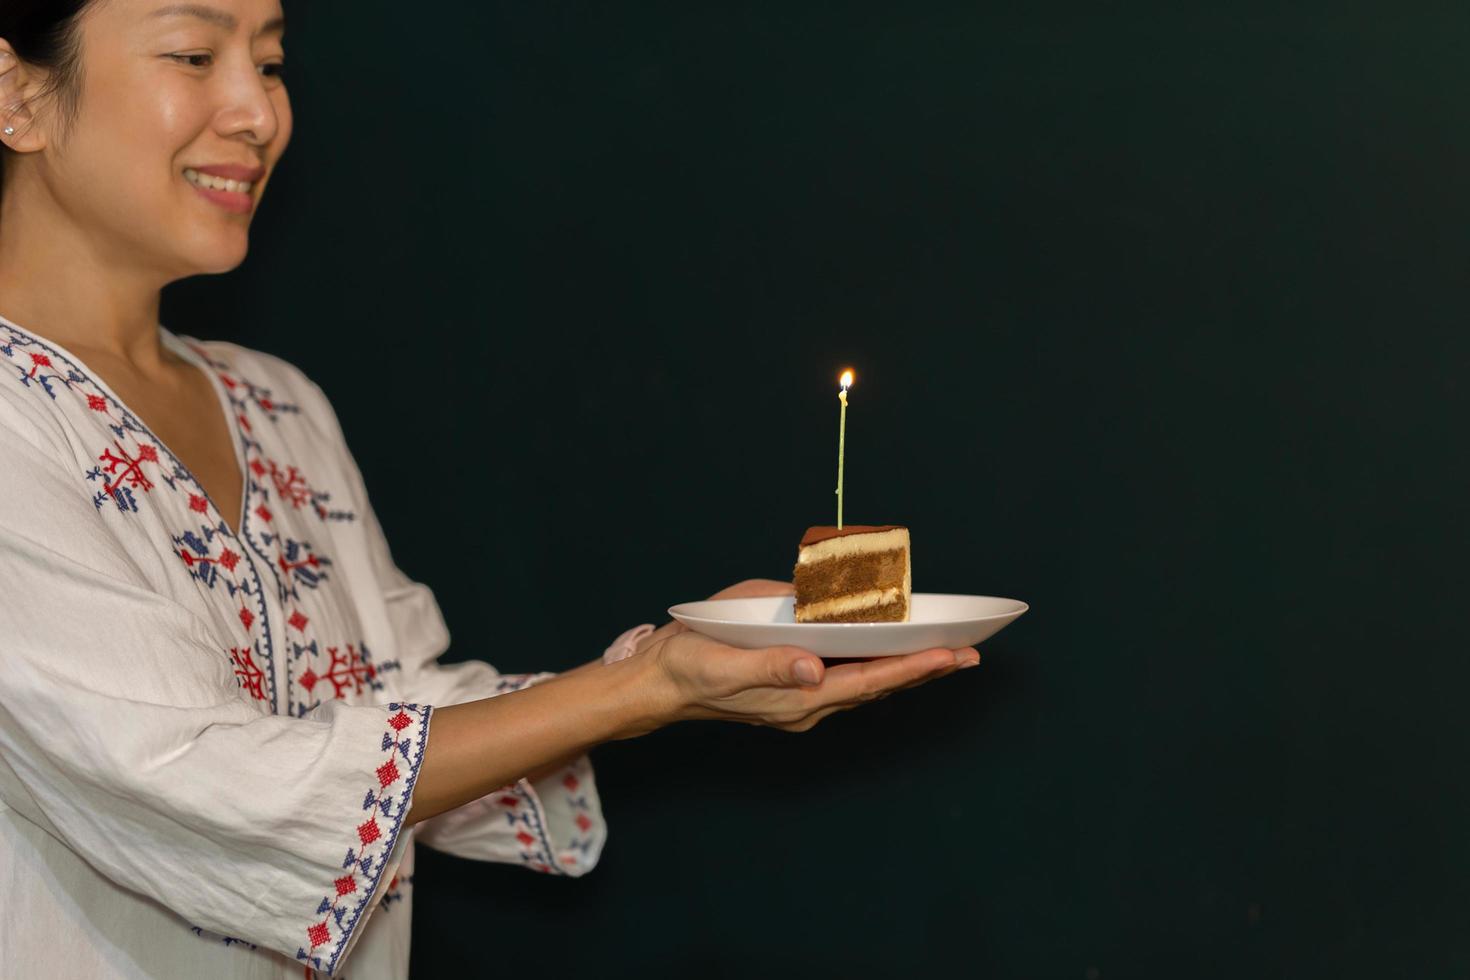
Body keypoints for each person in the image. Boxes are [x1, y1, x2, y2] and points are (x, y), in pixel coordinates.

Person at [0, 1, 982, 977]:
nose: (257, 111)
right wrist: (642, 687)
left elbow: (399, 705)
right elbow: (194, 779)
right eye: (194, 53)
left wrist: (687, 671)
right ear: (18, 96)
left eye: (270, 62)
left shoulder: (274, 401)